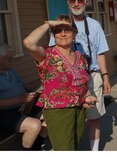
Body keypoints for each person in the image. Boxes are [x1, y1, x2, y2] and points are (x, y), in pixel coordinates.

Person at [49, 0, 111, 151]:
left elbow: (100, 53)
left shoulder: (95, 25)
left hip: (91, 75)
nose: (76, 3)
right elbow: (52, 53)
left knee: (94, 118)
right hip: (67, 80)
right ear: (68, 2)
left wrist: (105, 76)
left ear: (87, 2)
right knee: (70, 121)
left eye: (80, 0)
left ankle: (94, 152)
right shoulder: (59, 25)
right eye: (72, 0)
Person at [23, 15, 97, 150]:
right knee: (64, 148)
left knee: (74, 145)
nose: (62, 34)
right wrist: (49, 23)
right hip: (58, 111)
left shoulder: (80, 57)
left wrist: (88, 95)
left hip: (79, 109)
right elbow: (28, 43)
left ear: (74, 33)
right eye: (58, 30)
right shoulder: (46, 54)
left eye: (67, 29)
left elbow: (83, 81)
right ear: (53, 34)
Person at [0, 43, 47, 150]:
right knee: (34, 125)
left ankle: (36, 148)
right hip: (4, 114)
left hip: (23, 107)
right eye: (8, 58)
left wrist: (43, 79)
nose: (11, 60)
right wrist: (20, 98)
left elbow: (25, 87)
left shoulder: (10, 71)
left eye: (12, 57)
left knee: (52, 112)